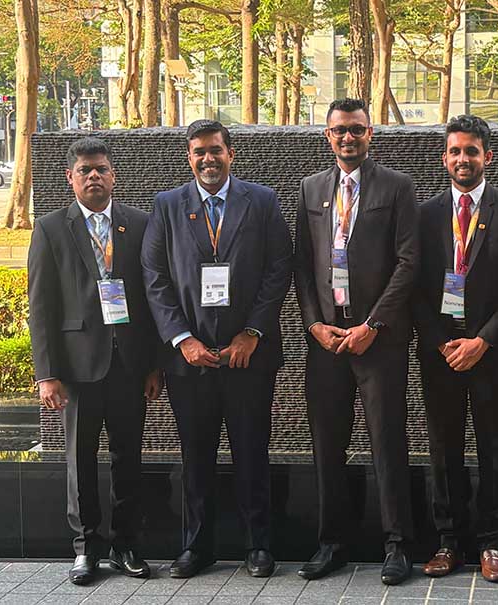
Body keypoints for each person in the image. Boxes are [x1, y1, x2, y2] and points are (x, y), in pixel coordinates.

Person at [141, 119, 292, 579]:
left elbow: (279, 269)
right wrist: (182, 340)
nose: (208, 159)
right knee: (196, 457)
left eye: (215, 150)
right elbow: (154, 278)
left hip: (248, 357)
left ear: (231, 153)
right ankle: (196, 547)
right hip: (191, 362)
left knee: (252, 453)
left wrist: (253, 332)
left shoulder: (261, 201)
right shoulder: (167, 206)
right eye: (199, 152)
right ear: (189, 157)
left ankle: (258, 546)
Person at [294, 98, 418, 586]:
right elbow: (302, 265)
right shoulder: (311, 188)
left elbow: (408, 262)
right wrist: (313, 324)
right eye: (339, 130)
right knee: (327, 445)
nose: (348, 137)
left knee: (387, 441)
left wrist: (374, 325)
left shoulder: (397, 186)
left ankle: (397, 545)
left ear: (371, 134)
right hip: (327, 341)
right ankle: (332, 543)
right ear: (327, 136)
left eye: (357, 129)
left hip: (378, 341)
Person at [28, 136, 162, 585]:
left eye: (101, 169)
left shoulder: (139, 224)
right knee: (80, 460)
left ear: (113, 175)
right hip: (77, 369)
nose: (94, 177)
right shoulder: (50, 228)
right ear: (70, 177)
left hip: (130, 365)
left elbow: (152, 298)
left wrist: (154, 365)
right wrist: (47, 374)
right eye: (85, 170)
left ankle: (127, 545)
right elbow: (41, 306)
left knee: (129, 458)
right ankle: (86, 549)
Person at [411, 115, 498, 583]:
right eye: (455, 151)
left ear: (488, 156)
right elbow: (413, 287)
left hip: (492, 352)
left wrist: (483, 340)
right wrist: (442, 342)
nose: (463, 159)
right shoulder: (424, 216)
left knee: (494, 448)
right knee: (443, 448)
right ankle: (449, 542)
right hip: (440, 352)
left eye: (472, 151)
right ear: (444, 158)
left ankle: (492, 543)